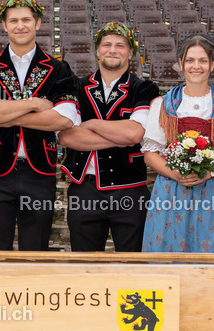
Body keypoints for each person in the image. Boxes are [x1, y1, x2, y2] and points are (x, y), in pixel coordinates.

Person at [0, 0, 78, 251]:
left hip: (39, 171)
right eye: (14, 20)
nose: (20, 25)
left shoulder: (58, 69)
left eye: (26, 20)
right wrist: (34, 103)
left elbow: (63, 119)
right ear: (5, 26)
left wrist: (6, 115)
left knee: (35, 252)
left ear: (38, 23)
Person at [141, 34, 214, 253]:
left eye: (202, 61)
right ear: (181, 64)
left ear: (212, 64)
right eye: (190, 60)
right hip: (172, 189)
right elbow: (151, 153)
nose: (195, 66)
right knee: (170, 251)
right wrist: (175, 174)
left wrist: (208, 173)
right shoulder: (162, 104)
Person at [60, 22, 159, 252]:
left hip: (131, 188)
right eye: (107, 45)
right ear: (97, 50)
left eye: (120, 45)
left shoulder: (143, 88)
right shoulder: (76, 86)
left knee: (133, 263)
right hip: (84, 189)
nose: (112, 50)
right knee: (85, 265)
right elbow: (67, 137)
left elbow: (136, 133)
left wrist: (92, 124)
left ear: (131, 52)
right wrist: (122, 136)